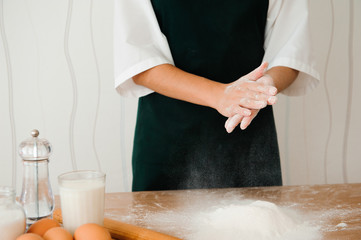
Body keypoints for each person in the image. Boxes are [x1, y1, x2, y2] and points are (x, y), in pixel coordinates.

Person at [114, 0, 320, 191]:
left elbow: (291, 51)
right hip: (167, 137)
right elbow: (139, 62)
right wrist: (221, 96)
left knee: (257, 226)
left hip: (247, 126)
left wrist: (265, 85)